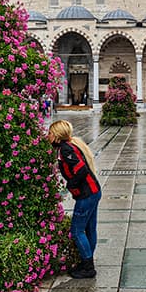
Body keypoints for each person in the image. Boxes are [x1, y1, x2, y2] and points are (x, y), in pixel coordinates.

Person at [47, 119, 101, 278]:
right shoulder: (70, 145)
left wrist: (70, 185)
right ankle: (87, 260)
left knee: (77, 230)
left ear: (57, 135)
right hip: (93, 191)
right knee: (90, 228)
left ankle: (88, 266)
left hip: (86, 195)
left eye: (50, 133)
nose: (48, 136)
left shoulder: (65, 149)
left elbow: (81, 170)